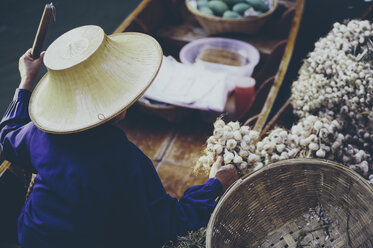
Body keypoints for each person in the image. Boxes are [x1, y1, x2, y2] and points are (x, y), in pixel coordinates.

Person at [0, 26, 238, 248]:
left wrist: (27, 80)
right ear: (121, 108)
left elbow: (7, 136)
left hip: (32, 238)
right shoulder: (125, 160)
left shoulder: (38, 132)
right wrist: (214, 184)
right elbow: (170, 225)